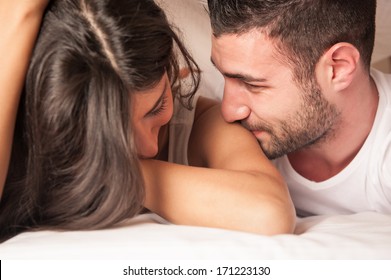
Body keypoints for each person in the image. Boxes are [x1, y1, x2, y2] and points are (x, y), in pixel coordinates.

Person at [0, 0, 295, 242]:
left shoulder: (197, 122)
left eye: (157, 107)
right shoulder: (24, 148)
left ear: (172, 71)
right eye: (115, 133)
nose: (149, 146)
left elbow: (269, 213)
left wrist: (118, 171)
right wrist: (20, 13)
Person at [207, 0, 391, 217]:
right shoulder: (225, 117)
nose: (228, 111)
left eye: (252, 85)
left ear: (338, 69)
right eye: (225, 76)